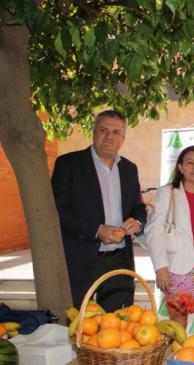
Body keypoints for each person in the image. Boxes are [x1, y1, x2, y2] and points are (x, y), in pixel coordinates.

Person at [51, 110, 146, 312]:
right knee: (76, 325)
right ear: (93, 132)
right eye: (103, 130)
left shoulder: (129, 169)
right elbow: (58, 211)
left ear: (123, 138)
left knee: (119, 325)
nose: (109, 137)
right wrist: (96, 230)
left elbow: (139, 207)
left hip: (120, 260)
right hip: (80, 259)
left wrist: (137, 221)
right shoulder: (68, 164)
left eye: (115, 132)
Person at [146, 146, 194, 334]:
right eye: (189, 162)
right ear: (180, 167)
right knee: (177, 331)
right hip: (177, 271)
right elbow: (154, 229)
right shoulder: (168, 192)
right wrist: (160, 267)